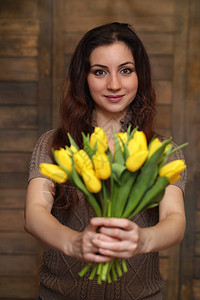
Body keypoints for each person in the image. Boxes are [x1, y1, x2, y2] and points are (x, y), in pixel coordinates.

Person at [24, 22, 186, 300]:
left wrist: (142, 240)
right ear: (83, 78)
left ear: (140, 76)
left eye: (126, 70)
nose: (114, 84)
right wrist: (75, 243)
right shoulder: (54, 144)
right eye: (100, 72)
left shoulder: (162, 151)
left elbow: (174, 218)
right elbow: (35, 213)